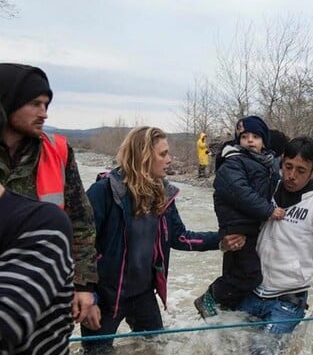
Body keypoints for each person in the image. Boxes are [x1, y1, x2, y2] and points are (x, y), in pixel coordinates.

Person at [83, 126, 221, 353]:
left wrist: (221, 240)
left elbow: (180, 237)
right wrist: (87, 294)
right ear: (143, 156)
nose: (169, 159)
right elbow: (80, 245)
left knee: (155, 349)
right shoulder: (103, 192)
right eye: (163, 154)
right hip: (106, 298)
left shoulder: (163, 194)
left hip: (143, 295)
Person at [0, 63, 98, 324]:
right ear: (7, 102)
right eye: (35, 104)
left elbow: (82, 223)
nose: (44, 113)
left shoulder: (59, 152)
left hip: (48, 296)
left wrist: (84, 285)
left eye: (46, 105)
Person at [236, 136, 313, 352]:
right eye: (288, 167)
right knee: (227, 345)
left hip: (287, 302)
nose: (291, 176)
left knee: (262, 351)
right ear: (281, 162)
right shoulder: (266, 190)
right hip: (251, 292)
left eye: (301, 170)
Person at [195, 116, 285, 318]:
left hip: (250, 225)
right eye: (244, 136)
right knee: (250, 275)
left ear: (264, 141)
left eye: (255, 136)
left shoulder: (264, 162)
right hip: (237, 225)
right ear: (238, 140)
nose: (250, 140)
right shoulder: (234, 160)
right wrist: (268, 211)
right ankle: (209, 298)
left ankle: (223, 313)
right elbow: (240, 192)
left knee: (237, 271)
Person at [0, 181, 74, 355]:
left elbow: (84, 222)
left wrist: (86, 286)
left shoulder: (44, 222)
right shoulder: (105, 190)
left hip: (47, 245)